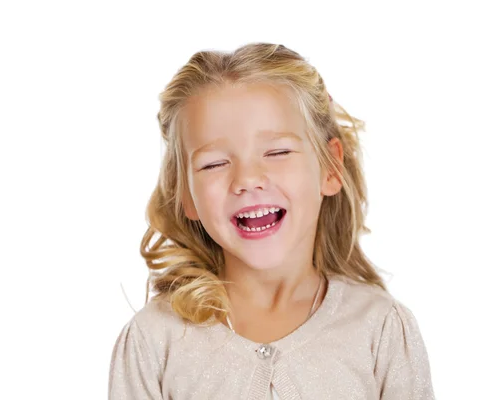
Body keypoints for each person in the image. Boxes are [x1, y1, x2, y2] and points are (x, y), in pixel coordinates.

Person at [108, 42, 435, 399]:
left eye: (277, 152)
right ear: (186, 194)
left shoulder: (381, 329)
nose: (248, 179)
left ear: (329, 167)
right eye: (215, 163)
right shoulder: (154, 341)